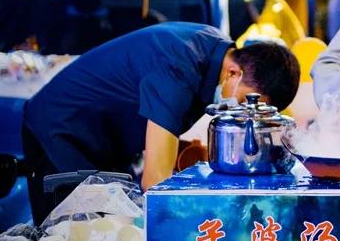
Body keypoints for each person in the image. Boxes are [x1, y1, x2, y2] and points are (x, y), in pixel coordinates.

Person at [22, 22, 300, 224]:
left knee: (111, 229)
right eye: (246, 103)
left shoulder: (214, 48)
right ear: (233, 72)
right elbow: (156, 181)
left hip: (105, 144)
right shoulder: (179, 67)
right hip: (60, 132)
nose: (242, 114)